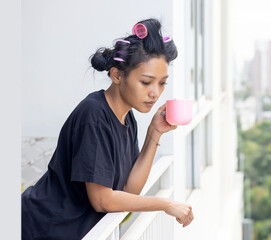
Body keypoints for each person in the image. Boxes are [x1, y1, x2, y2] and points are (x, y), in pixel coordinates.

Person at [21, 18, 194, 240]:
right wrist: (165, 204)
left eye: (162, 83)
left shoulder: (127, 117)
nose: (155, 93)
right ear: (117, 75)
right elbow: (102, 200)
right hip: (41, 229)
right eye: (146, 82)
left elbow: (129, 191)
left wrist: (154, 133)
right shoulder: (93, 115)